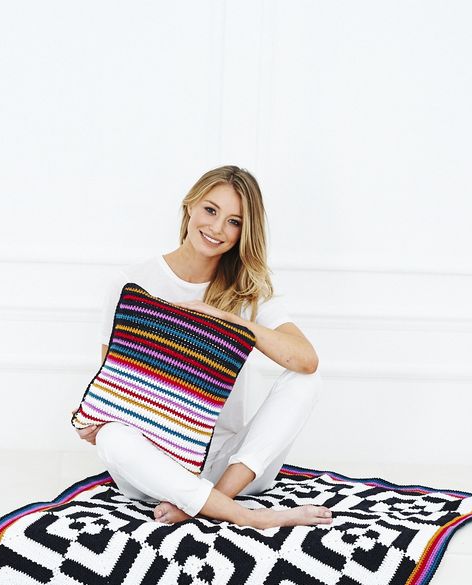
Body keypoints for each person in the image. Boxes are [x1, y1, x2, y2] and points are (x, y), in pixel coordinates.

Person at [73, 165, 332, 531]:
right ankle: (244, 516)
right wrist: (97, 423)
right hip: (154, 466)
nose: (216, 228)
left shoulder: (247, 291)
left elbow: (306, 360)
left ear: (244, 232)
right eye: (210, 210)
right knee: (114, 437)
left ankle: (207, 501)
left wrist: (227, 320)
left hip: (228, 465)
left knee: (307, 381)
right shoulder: (132, 283)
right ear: (190, 206)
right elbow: (113, 382)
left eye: (233, 222)